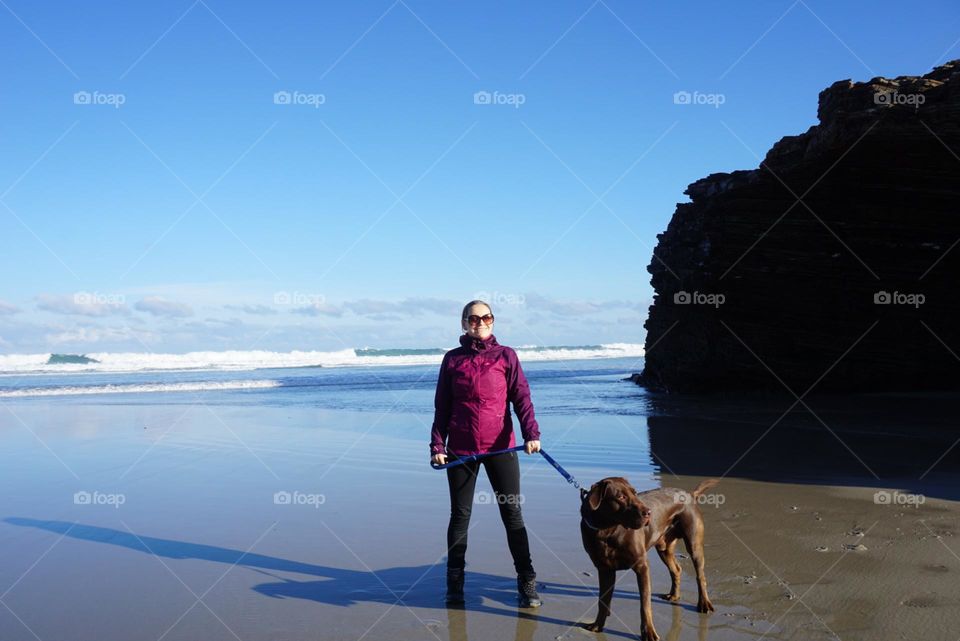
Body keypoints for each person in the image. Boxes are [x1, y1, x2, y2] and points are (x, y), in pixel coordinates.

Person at [430, 299, 543, 608]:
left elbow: (521, 397)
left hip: (501, 447)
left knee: (512, 513)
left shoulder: (506, 356)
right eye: (473, 318)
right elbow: (442, 406)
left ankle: (527, 582)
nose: (479, 322)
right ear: (464, 323)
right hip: (461, 451)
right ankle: (455, 585)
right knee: (460, 515)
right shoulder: (452, 360)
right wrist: (437, 446)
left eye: (485, 317)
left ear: (493, 321)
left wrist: (531, 434)